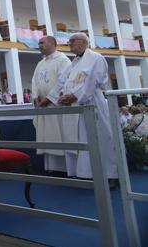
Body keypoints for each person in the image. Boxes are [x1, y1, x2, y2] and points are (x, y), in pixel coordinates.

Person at [47, 32, 119, 182]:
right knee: (82, 139)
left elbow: (94, 81)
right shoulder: (74, 62)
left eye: (73, 40)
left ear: (84, 42)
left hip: (92, 103)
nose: (69, 43)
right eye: (69, 41)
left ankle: (109, 175)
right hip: (74, 107)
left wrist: (74, 96)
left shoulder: (95, 58)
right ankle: (87, 173)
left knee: (101, 138)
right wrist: (58, 97)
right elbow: (63, 81)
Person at [31, 35, 71, 174]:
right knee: (47, 136)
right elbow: (34, 81)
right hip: (43, 106)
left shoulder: (63, 60)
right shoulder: (40, 63)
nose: (39, 45)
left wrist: (49, 99)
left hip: (55, 106)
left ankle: (64, 168)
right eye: (38, 43)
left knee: (58, 135)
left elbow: (63, 81)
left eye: (42, 42)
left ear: (53, 44)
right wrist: (35, 97)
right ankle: (51, 168)